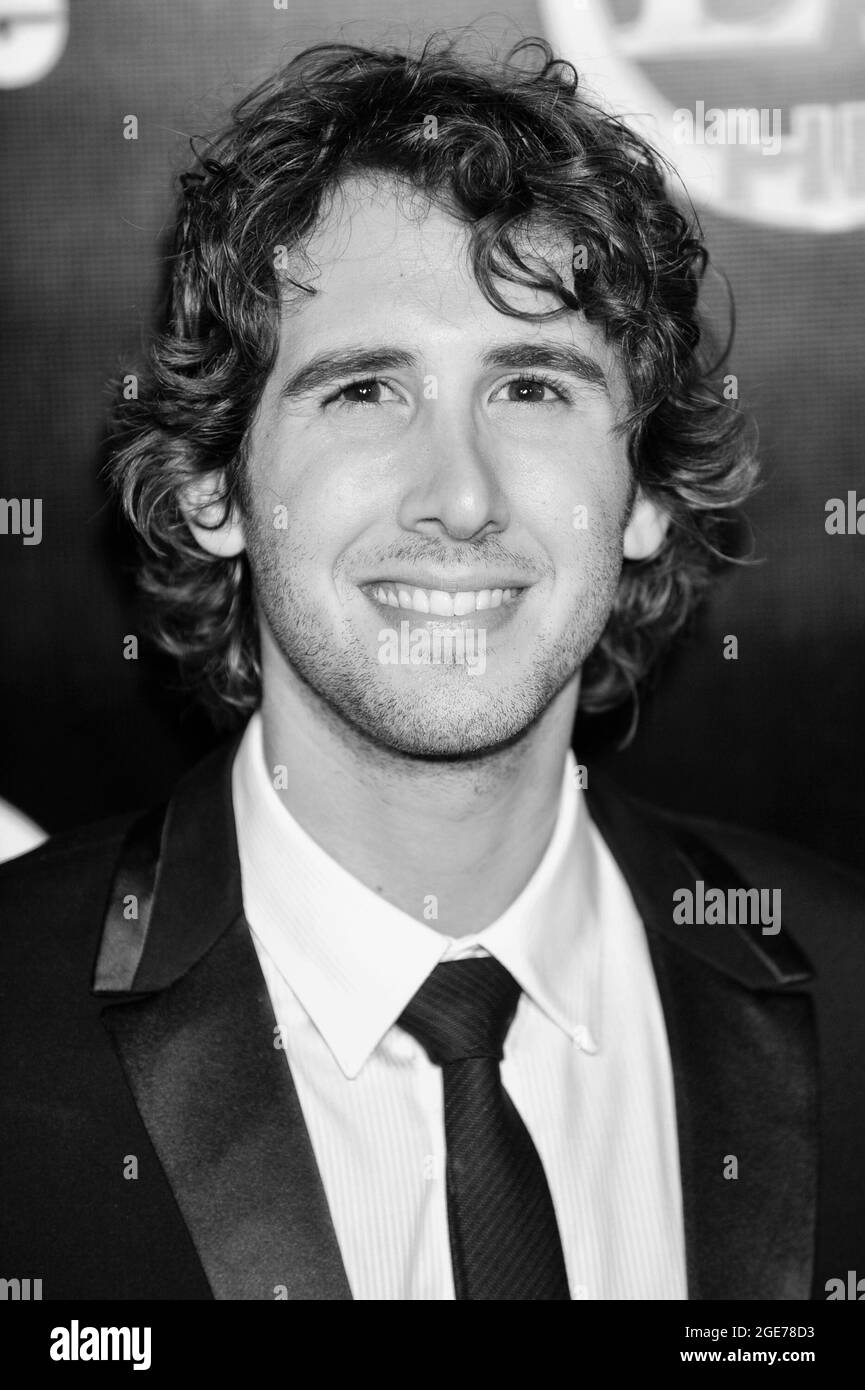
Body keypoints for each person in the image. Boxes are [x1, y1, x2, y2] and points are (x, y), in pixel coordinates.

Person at [2, 35, 863, 1303]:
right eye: (361, 391)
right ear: (210, 489)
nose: (459, 497)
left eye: (530, 386)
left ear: (642, 496)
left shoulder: (849, 993)